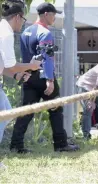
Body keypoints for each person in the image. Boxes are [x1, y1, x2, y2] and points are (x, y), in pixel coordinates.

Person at [10, 2, 79, 153]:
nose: (54, 18)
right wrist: (50, 80)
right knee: (56, 109)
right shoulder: (45, 32)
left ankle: (16, 145)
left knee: (25, 111)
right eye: (53, 14)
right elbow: (47, 57)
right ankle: (61, 144)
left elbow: (25, 56)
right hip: (43, 76)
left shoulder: (25, 31)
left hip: (28, 76)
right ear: (46, 14)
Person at [0, 0, 42, 146]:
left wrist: (15, 75)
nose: (23, 23)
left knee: (7, 114)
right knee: (4, 115)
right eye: (23, 19)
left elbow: (4, 66)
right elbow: (11, 64)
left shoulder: (2, 29)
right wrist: (32, 65)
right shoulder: (6, 33)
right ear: (17, 17)